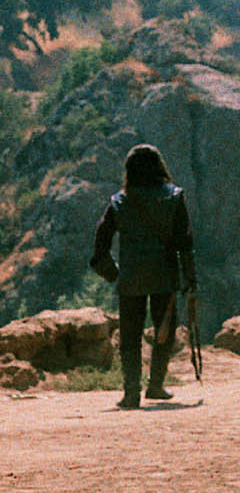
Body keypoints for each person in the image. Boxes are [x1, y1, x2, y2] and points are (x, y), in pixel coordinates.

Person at [91, 144, 195, 410]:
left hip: (131, 277)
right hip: (165, 274)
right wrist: (189, 280)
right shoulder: (174, 197)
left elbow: (101, 242)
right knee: (164, 332)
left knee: (130, 336)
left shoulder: (119, 201)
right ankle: (156, 385)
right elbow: (185, 242)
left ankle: (131, 393)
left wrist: (113, 273)